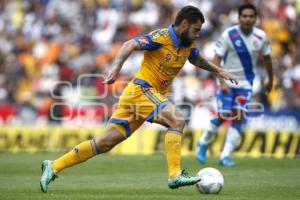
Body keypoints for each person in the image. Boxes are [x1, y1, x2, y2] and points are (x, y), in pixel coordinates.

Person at [40, 5, 237, 193]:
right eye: (196, 29)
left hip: (140, 97)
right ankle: (175, 175)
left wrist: (219, 70)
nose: (197, 34)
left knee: (104, 143)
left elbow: (196, 59)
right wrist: (116, 68)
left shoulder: (188, 45)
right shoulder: (161, 37)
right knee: (177, 120)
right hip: (142, 91)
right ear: (184, 25)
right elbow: (130, 44)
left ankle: (53, 166)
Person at [196, 3, 273, 167]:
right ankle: (203, 142)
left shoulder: (261, 37)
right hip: (227, 81)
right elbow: (216, 59)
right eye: (245, 16)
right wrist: (221, 81)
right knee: (224, 115)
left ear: (255, 18)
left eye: (251, 16)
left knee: (238, 117)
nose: (248, 19)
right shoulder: (228, 35)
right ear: (239, 18)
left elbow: (267, 59)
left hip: (246, 84)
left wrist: (270, 80)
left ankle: (225, 156)